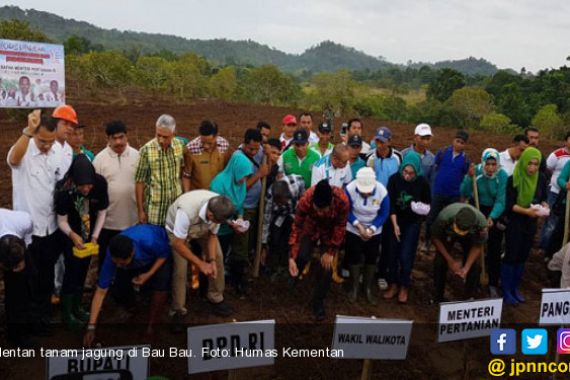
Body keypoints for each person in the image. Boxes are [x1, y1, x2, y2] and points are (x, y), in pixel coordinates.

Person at [7, 110, 66, 335]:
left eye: (50, 141)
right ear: (35, 135)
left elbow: (58, 181)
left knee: (46, 278)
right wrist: (27, 133)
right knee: (26, 281)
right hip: (28, 232)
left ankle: (43, 320)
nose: (46, 146)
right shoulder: (24, 148)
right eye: (42, 141)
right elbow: (13, 159)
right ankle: (25, 327)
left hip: (50, 227)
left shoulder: (57, 150)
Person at [83, 224, 172, 346]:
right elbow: (101, 291)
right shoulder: (112, 253)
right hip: (138, 259)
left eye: (122, 263)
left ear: (132, 254)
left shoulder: (150, 241)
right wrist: (91, 327)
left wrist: (148, 274)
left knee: (161, 286)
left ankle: (152, 327)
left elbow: (164, 254)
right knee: (120, 286)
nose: (118, 265)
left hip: (159, 254)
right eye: (116, 263)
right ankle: (133, 307)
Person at [166, 191, 236, 328]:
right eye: (216, 220)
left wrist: (212, 261)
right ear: (210, 215)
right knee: (180, 269)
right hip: (178, 234)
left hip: (202, 229)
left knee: (218, 256)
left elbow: (212, 236)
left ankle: (215, 297)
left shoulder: (219, 209)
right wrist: (200, 264)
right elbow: (177, 244)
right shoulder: (185, 211)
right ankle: (177, 311)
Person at [54, 155, 108, 329]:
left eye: (89, 185)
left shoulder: (99, 183)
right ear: (74, 181)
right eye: (82, 185)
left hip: (89, 231)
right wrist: (72, 235)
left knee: (83, 267)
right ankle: (67, 311)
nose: (86, 189)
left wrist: (95, 235)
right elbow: (61, 220)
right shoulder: (64, 189)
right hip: (70, 232)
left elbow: (102, 211)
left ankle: (78, 306)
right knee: (72, 270)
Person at [288, 180, 349, 320]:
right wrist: (291, 256)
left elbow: (340, 226)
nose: (320, 212)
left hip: (330, 229)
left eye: (324, 210)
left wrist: (331, 251)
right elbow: (297, 226)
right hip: (311, 225)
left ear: (331, 203)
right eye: (317, 208)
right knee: (301, 255)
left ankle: (318, 301)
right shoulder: (306, 199)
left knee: (326, 269)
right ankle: (293, 277)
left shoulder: (342, 201)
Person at [502, 147, 549, 305]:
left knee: (523, 256)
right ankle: (506, 289)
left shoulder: (540, 178)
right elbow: (509, 205)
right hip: (515, 222)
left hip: (531, 222)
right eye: (530, 164)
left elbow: (543, 197)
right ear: (523, 163)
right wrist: (526, 211)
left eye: (536, 164)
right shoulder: (513, 179)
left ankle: (515, 288)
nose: (532, 168)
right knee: (511, 255)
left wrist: (544, 206)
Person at [460, 149, 507, 298]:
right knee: (472, 244)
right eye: (488, 164)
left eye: (494, 164)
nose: (491, 168)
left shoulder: (502, 175)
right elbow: (465, 192)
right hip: (477, 208)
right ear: (483, 162)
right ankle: (469, 278)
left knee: (494, 248)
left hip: (493, 212)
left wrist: (492, 217)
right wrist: (469, 177)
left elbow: (501, 200)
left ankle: (492, 283)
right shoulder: (476, 172)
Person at [93, 121, 140, 271]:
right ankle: (105, 287)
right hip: (108, 223)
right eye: (114, 138)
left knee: (129, 260)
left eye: (122, 137)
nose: (119, 142)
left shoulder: (137, 156)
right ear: (108, 139)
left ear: (127, 136)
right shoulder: (99, 160)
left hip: (132, 220)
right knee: (106, 260)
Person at [210, 136, 256, 285]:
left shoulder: (239, 183)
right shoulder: (219, 184)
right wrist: (231, 223)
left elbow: (240, 204)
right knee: (217, 256)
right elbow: (215, 211)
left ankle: (224, 281)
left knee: (227, 255)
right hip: (217, 229)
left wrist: (241, 217)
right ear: (235, 169)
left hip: (230, 228)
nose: (244, 179)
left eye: (246, 176)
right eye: (243, 175)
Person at [386, 152, 431, 303]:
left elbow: (428, 204)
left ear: (417, 171)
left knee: (406, 255)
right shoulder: (394, 179)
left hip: (412, 223)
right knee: (392, 253)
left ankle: (404, 285)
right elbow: (390, 203)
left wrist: (420, 210)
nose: (407, 176)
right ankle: (393, 284)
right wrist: (395, 224)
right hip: (395, 221)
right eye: (405, 172)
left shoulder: (422, 182)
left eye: (411, 173)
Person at [230, 129, 270, 294]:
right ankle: (236, 280)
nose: (254, 152)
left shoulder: (260, 150)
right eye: (251, 149)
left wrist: (266, 151)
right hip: (242, 208)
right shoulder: (238, 158)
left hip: (256, 206)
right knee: (241, 244)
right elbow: (242, 187)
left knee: (250, 242)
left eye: (256, 149)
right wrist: (259, 175)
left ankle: (245, 270)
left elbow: (266, 165)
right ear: (244, 143)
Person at [344, 167, 390, 305]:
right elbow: (346, 210)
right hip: (354, 228)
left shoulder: (382, 191)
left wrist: (372, 229)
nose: (365, 194)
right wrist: (358, 225)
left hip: (374, 229)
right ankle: (354, 287)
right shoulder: (350, 189)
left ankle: (367, 288)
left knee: (371, 257)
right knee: (354, 256)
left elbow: (384, 213)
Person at [431, 203, 488, 304]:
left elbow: (477, 246)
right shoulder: (444, 217)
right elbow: (436, 238)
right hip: (448, 233)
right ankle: (437, 297)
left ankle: (469, 297)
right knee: (440, 261)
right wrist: (450, 260)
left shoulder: (482, 225)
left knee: (475, 266)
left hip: (470, 237)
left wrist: (466, 268)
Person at [366, 126, 401, 289]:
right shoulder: (369, 157)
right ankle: (367, 273)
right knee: (371, 240)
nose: (380, 145)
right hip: (373, 205)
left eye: (383, 141)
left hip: (390, 204)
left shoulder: (397, 158)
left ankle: (382, 273)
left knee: (388, 242)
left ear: (390, 141)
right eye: (378, 141)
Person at [424, 130, 470, 254]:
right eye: (457, 141)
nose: (459, 144)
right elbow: (436, 167)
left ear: (465, 145)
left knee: (449, 220)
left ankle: (445, 244)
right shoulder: (442, 153)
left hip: (454, 195)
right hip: (438, 191)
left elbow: (465, 176)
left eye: (462, 143)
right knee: (432, 217)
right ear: (453, 140)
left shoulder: (465, 160)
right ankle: (427, 241)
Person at [135, 114, 185, 226]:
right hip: (155, 210)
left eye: (165, 137)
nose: (161, 140)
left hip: (175, 207)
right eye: (158, 135)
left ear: (174, 134)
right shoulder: (146, 150)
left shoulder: (180, 146)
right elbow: (139, 181)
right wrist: (140, 211)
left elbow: (182, 172)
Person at [261, 174, 306, 280]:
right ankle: (272, 265)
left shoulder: (296, 183)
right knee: (275, 240)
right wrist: (264, 242)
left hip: (293, 213)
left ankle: (286, 263)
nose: (283, 202)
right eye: (280, 202)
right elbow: (266, 219)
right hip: (279, 216)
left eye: (285, 200)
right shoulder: (269, 197)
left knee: (290, 239)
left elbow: (303, 198)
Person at [0, 209, 34, 347]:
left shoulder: (24, 221)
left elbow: (28, 238)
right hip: (5, 250)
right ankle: (15, 335)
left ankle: (29, 322)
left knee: (27, 286)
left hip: (20, 244)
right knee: (13, 296)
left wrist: (23, 260)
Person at [183, 120, 231, 192]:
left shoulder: (224, 146)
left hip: (218, 194)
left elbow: (228, 172)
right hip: (198, 195)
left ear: (216, 136)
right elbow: (186, 175)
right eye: (203, 142)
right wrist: (187, 194)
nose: (206, 146)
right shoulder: (190, 149)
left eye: (209, 143)